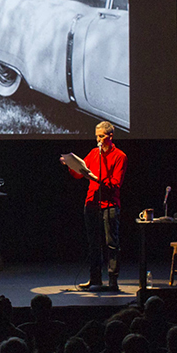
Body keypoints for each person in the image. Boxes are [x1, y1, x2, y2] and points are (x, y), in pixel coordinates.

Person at [62, 121, 127, 292]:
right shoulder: (93, 153)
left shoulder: (120, 156)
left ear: (110, 136)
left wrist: (97, 179)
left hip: (109, 204)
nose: (98, 140)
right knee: (93, 244)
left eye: (101, 136)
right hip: (91, 203)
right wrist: (70, 165)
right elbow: (79, 174)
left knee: (112, 244)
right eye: (96, 136)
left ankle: (113, 280)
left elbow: (115, 184)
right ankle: (95, 279)